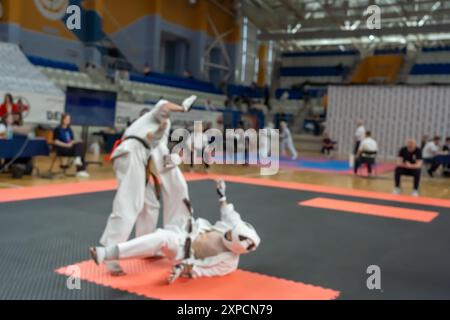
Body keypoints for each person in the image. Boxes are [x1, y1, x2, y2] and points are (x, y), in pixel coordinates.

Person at [90, 180, 260, 284]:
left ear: (235, 247)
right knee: (181, 195)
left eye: (229, 236)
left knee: (162, 238)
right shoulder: (235, 227)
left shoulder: (228, 263)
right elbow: (228, 213)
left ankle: (106, 253)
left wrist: (183, 270)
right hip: (186, 229)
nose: (228, 233)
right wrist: (221, 194)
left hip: (182, 252)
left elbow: (204, 270)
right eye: (230, 231)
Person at [99, 96, 197, 276]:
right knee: (129, 204)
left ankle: (146, 246)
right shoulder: (153, 120)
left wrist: (176, 161)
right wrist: (183, 108)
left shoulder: (154, 134)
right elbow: (163, 105)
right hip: (131, 154)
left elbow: (160, 160)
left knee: (150, 203)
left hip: (137, 159)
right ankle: (109, 254)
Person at [53, 114, 90, 178]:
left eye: (69, 119)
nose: (68, 120)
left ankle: (78, 161)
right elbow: (55, 141)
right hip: (62, 148)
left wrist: (76, 141)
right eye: (67, 119)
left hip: (70, 147)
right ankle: (80, 170)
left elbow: (71, 140)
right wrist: (66, 145)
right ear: (63, 120)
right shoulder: (58, 129)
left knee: (80, 146)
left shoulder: (69, 129)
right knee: (80, 152)